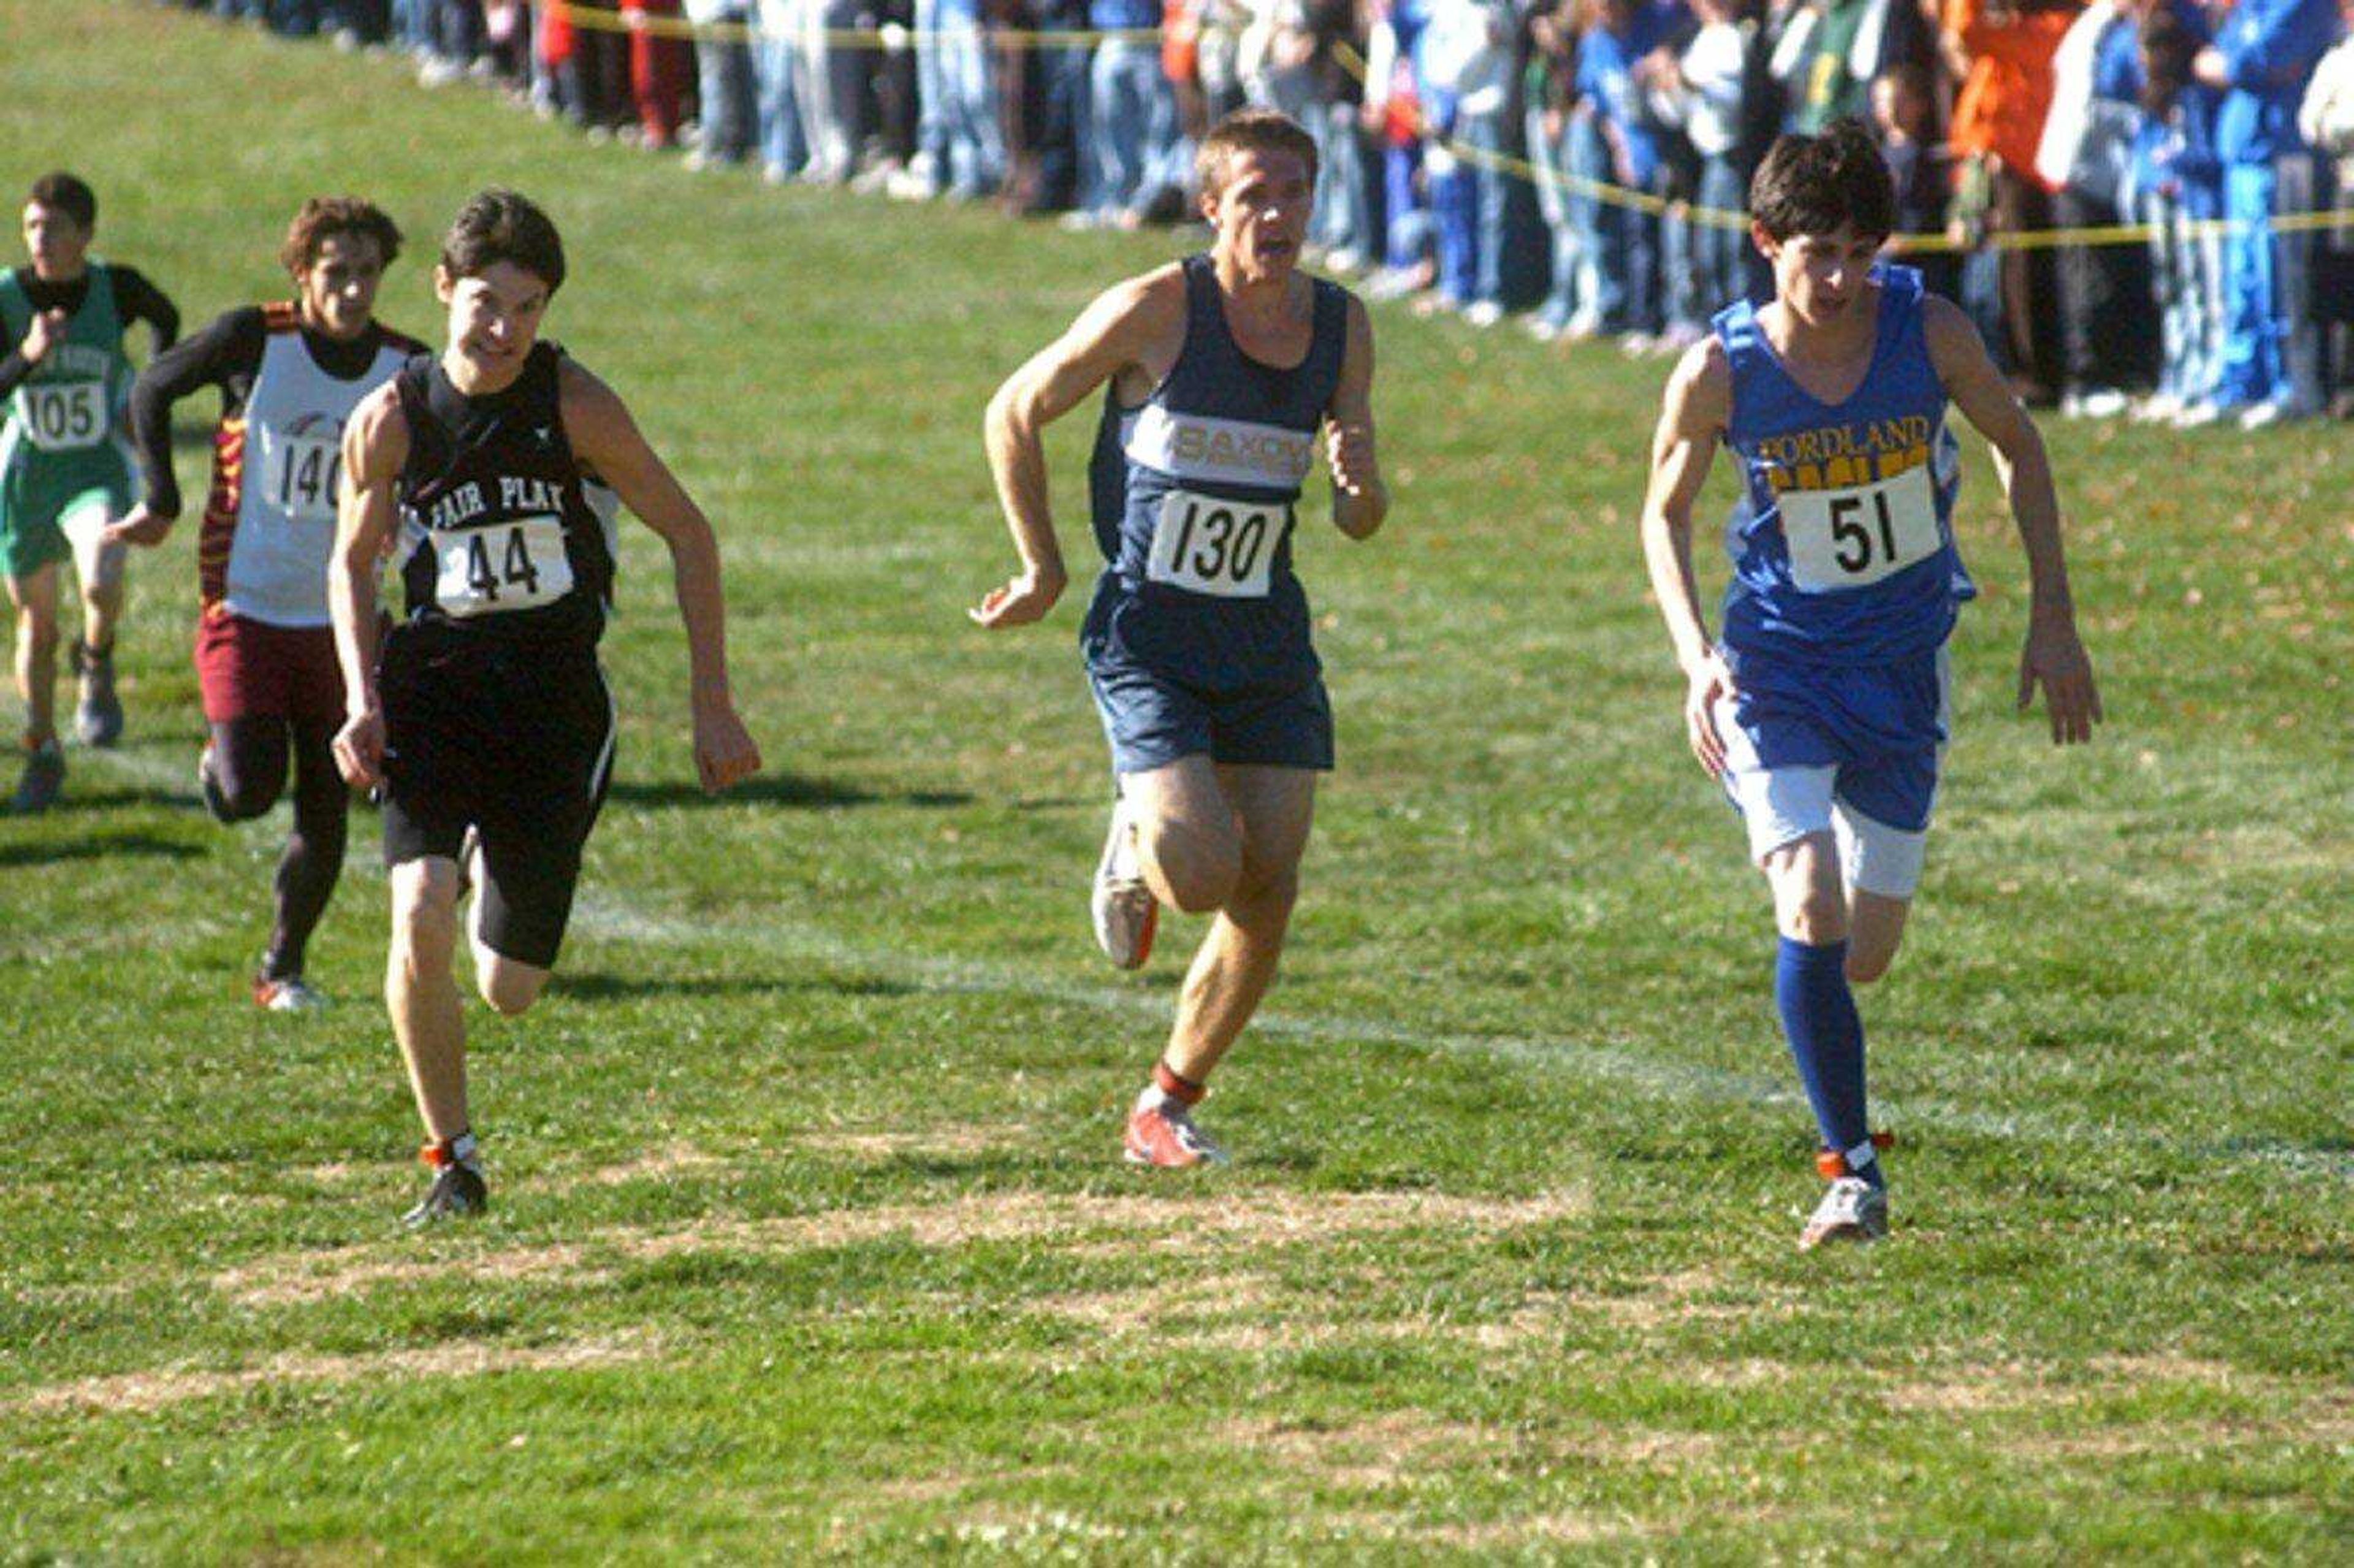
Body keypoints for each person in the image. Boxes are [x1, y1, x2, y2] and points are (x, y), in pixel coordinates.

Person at [1636, 120, 2100, 1249]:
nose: (1839, 278)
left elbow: (2018, 444)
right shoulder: (1720, 370)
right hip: (1779, 666)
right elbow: (1665, 512)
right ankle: (1852, 1172)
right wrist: (1699, 655)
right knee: (1809, 898)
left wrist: (2054, 615)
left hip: (1902, 668)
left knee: (1865, 953)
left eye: (1858, 251)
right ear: (1764, 244)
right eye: (1814, 254)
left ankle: (1840, 1095)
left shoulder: (1928, 332)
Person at [329, 190, 762, 1225]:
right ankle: (453, 1156)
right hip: (431, 695)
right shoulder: (392, 418)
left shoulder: (575, 405)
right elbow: (350, 562)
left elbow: (689, 534)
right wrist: (358, 695)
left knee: (510, 987)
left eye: (527, 308)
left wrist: (715, 704)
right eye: (485, 302)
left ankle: (494, 875)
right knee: (418, 912)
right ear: (442, 289)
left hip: (555, 703)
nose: (503, 328)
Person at [972, 108, 1387, 1168]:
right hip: (1150, 634)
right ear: (1212, 207)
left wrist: (1361, 478)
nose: (1278, 213)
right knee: (1202, 874)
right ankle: (1139, 828)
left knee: (1271, 880)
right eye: (1254, 193)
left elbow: (1359, 517)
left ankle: (1165, 1101)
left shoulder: (1342, 328)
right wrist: (1044, 567)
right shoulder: (1158, 309)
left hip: (1265, 637)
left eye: (1294, 192)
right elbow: (1014, 411)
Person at [109, 198, 424, 1011]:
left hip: (345, 620)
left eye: (366, 274)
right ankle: (217, 769)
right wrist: (162, 498)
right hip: (244, 602)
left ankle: (282, 966)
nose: (353, 291)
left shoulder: (405, 367)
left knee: (330, 800)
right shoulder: (257, 339)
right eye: (335, 274)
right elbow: (151, 388)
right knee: (251, 789)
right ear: (301, 274)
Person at [0, 172, 180, 809]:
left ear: (85, 234)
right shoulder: (7, 297)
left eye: (53, 228)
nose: (40, 240)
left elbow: (167, 318)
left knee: (103, 576)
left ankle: (98, 661)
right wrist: (26, 355)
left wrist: (147, 388)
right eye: (31, 227)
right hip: (26, 479)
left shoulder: (114, 287)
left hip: (94, 468)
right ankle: (42, 749)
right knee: (38, 625)